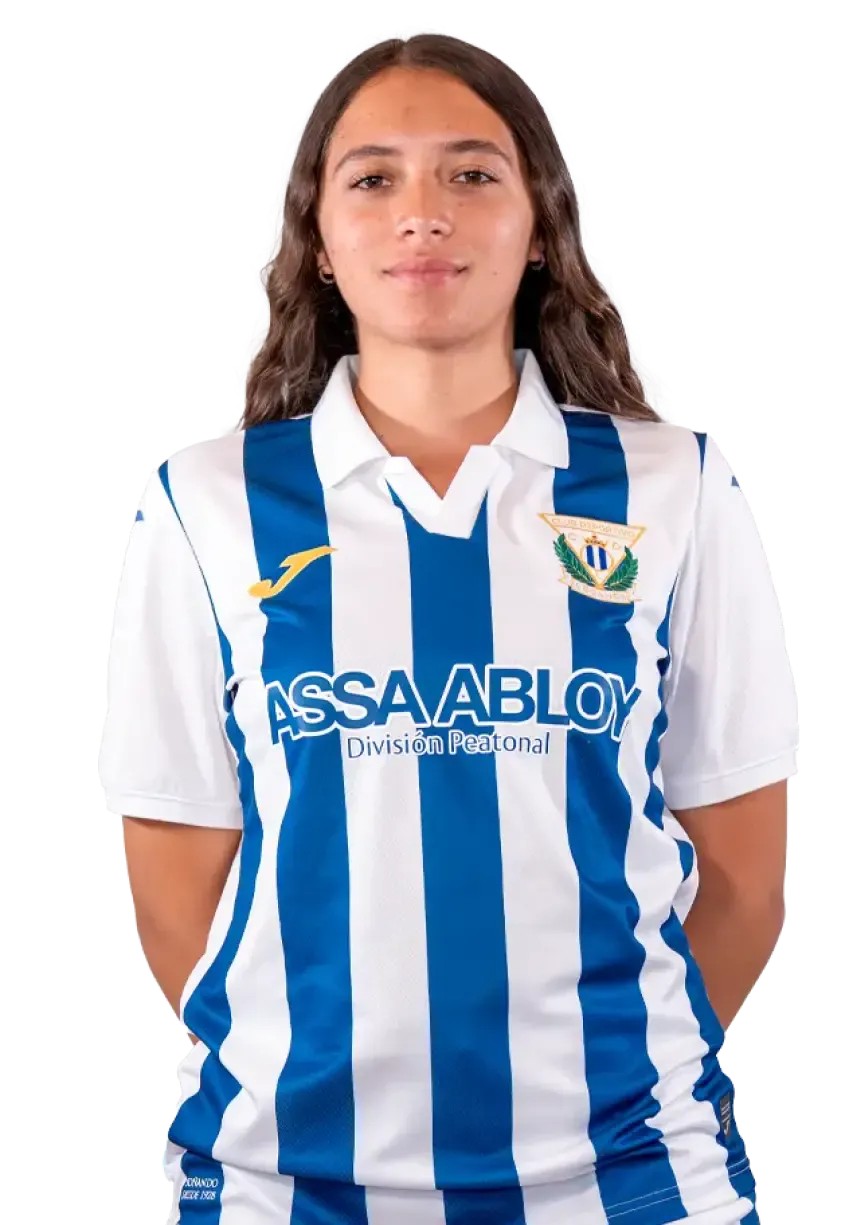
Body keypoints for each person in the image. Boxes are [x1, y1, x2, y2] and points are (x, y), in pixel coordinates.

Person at [98, 27, 799, 1225]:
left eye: (471, 173)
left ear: (539, 226)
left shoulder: (672, 489)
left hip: (628, 1179)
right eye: (373, 179)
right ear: (319, 240)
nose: (422, 213)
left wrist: (593, 1090)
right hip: (285, 1183)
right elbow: (176, 884)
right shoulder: (206, 504)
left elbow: (739, 874)